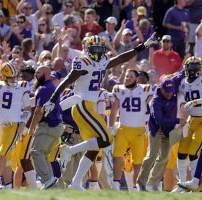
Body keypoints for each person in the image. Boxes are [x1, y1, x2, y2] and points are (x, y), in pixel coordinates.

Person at [43, 34, 157, 189]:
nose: (97, 51)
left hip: (89, 106)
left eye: (100, 48)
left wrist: (142, 46)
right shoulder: (83, 61)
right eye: (94, 48)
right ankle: (68, 150)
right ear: (87, 49)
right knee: (106, 139)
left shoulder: (102, 61)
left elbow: (121, 58)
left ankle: (76, 183)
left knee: (94, 147)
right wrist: (53, 99)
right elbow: (67, 81)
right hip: (82, 104)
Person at [136, 78, 186, 191]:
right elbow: (160, 121)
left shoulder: (173, 92)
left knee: (164, 157)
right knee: (152, 155)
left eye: (171, 91)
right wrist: (177, 121)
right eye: (167, 91)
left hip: (169, 130)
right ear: (162, 89)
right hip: (156, 129)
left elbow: (181, 74)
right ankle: (141, 182)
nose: (169, 93)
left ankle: (152, 183)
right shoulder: (156, 101)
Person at [0, 62, 34, 188]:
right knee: (0, 155)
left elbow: (27, 109)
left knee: (2, 153)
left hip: (13, 124)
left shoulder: (23, 86)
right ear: (3, 77)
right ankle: (5, 185)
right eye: (10, 77)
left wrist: (23, 123)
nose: (14, 80)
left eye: (15, 77)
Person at [110, 69, 153, 190]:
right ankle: (116, 185)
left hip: (139, 131)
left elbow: (152, 102)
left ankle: (134, 185)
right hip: (123, 130)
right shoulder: (119, 89)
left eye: (130, 76)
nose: (127, 78)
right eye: (126, 76)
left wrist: (148, 119)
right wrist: (111, 127)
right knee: (117, 157)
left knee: (137, 161)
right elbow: (114, 110)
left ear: (136, 78)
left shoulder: (145, 89)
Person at [29, 66, 64, 189]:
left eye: (38, 72)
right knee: (43, 155)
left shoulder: (44, 89)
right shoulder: (51, 87)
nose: (35, 75)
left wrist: (31, 128)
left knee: (36, 152)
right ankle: (51, 185)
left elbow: (39, 112)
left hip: (48, 125)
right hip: (56, 126)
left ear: (46, 74)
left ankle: (47, 180)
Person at [173, 56, 202, 192]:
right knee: (182, 149)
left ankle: (194, 185)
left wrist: (196, 101)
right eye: (188, 66)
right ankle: (182, 184)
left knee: (193, 149)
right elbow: (181, 101)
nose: (190, 69)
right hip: (191, 119)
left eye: (193, 66)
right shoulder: (183, 83)